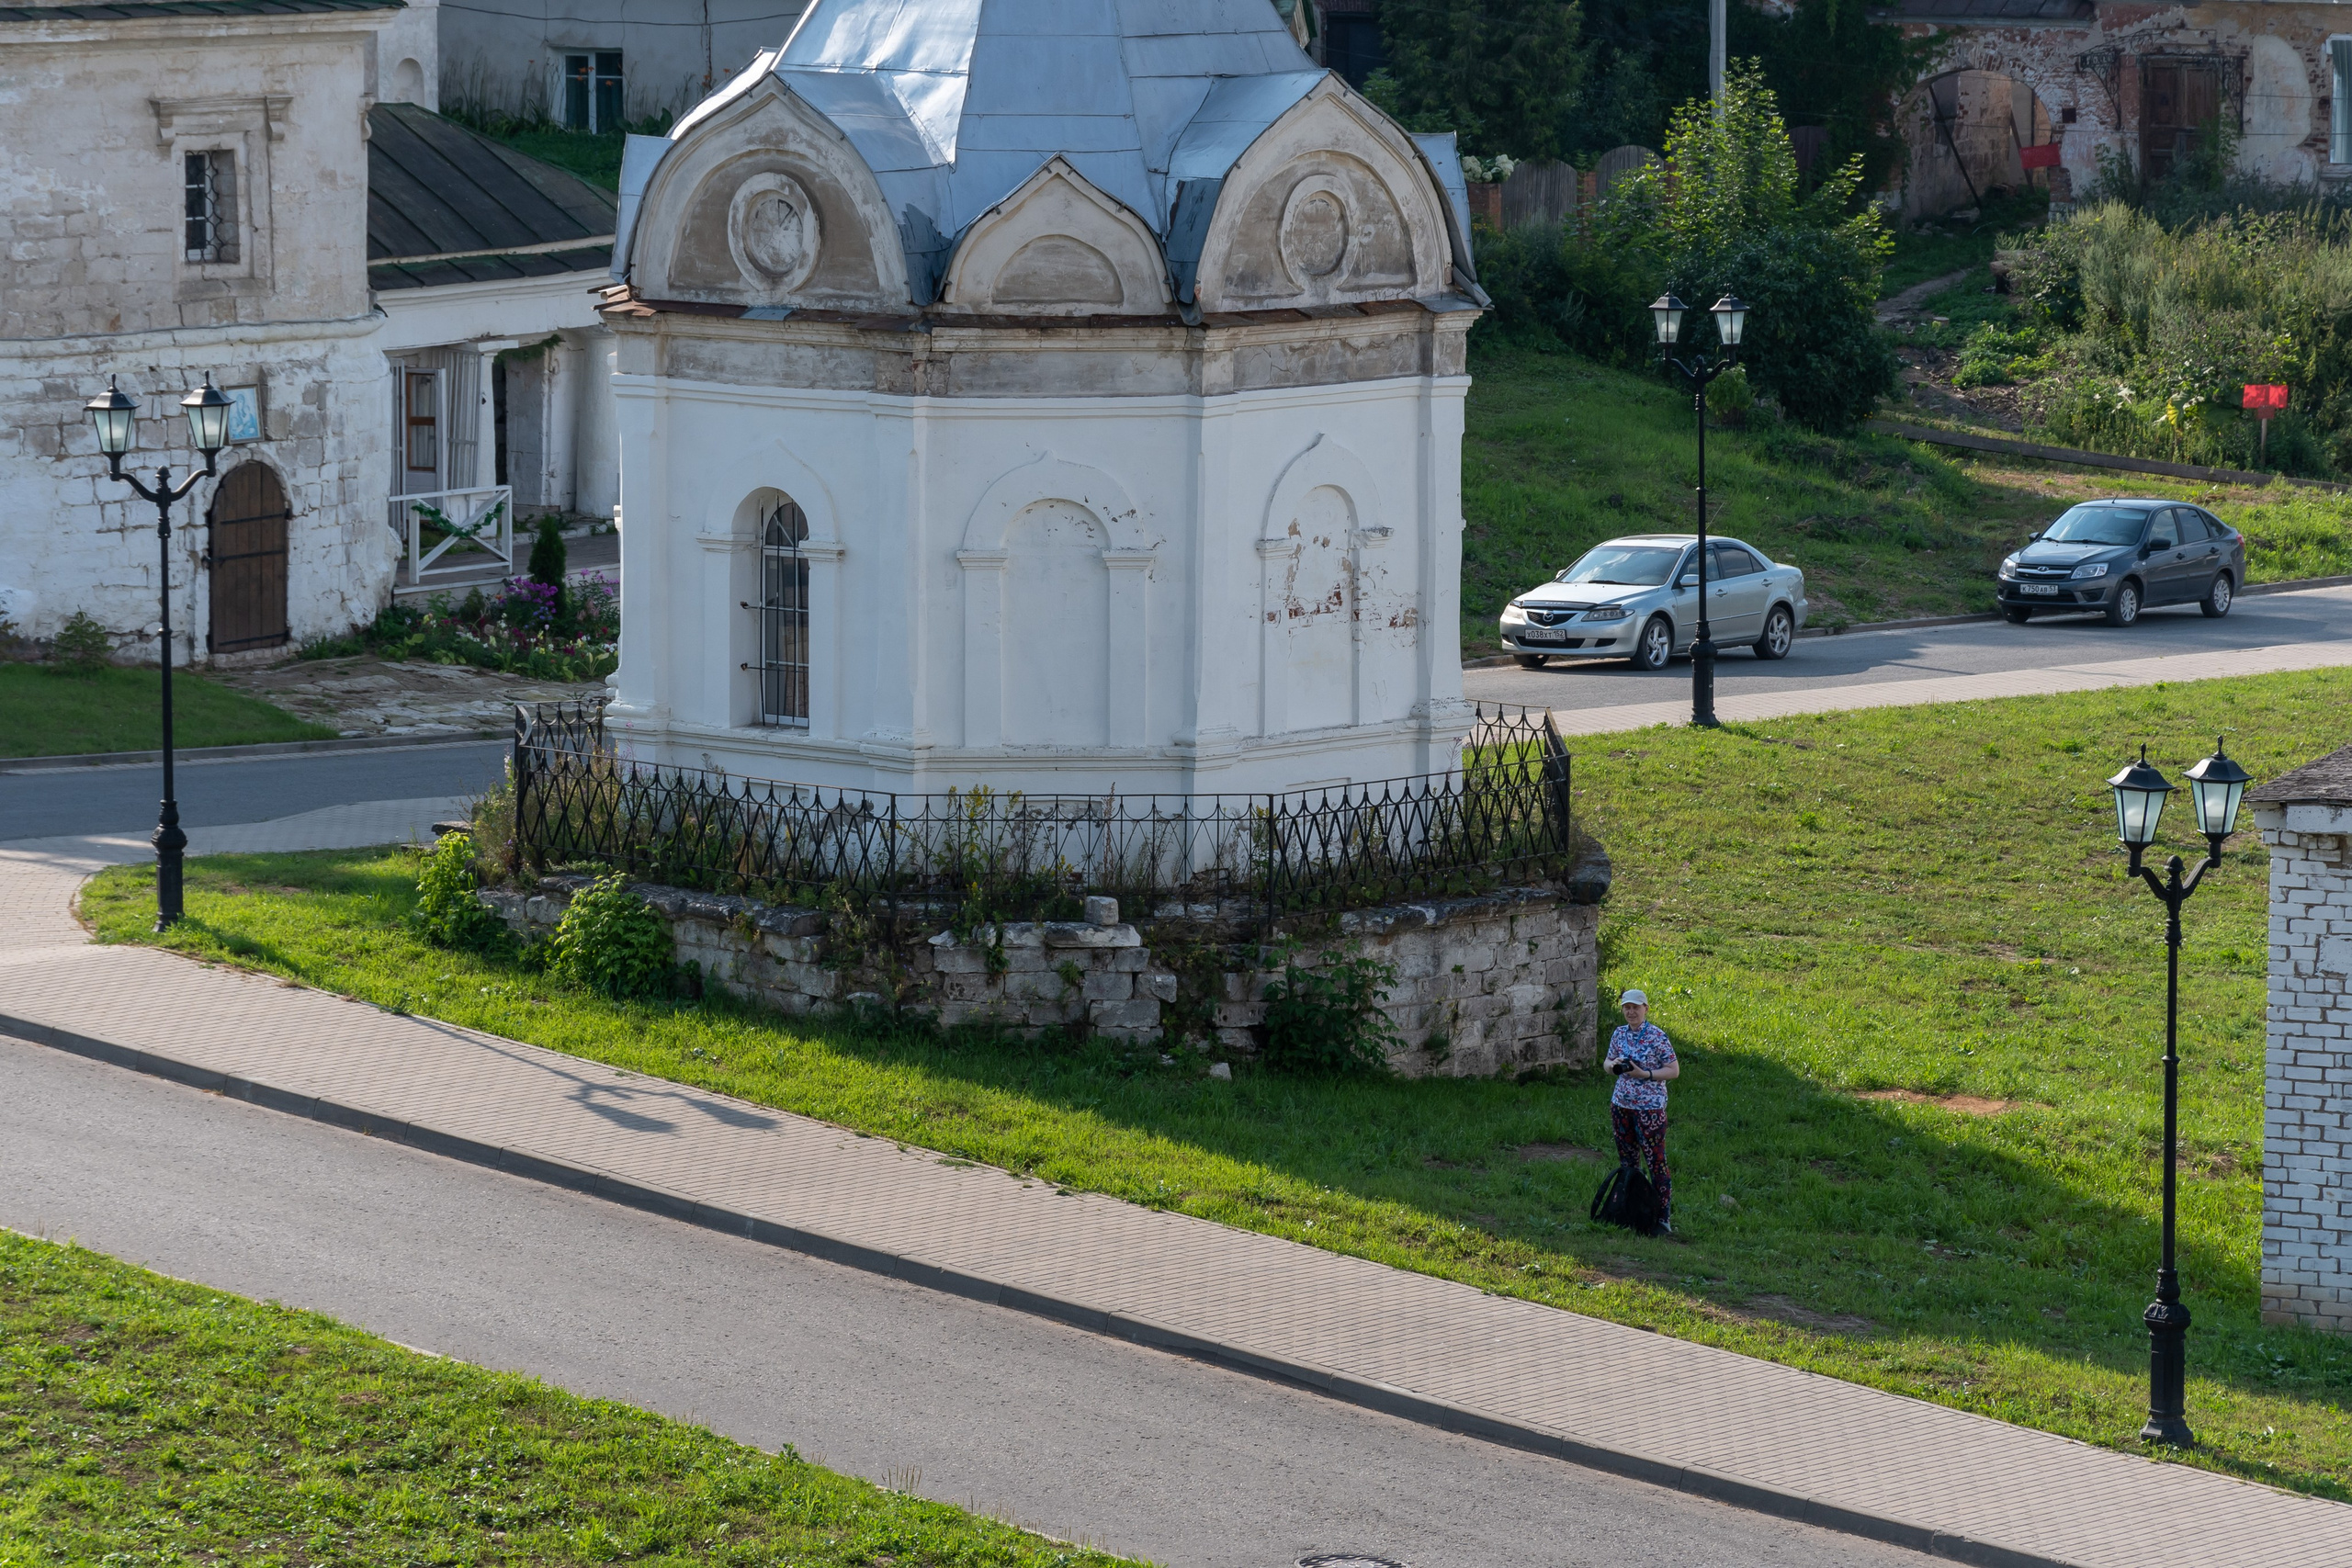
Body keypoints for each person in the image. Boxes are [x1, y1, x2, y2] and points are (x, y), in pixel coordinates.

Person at [1603, 987, 1679, 1232]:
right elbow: (1607, 1062)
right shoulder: (1619, 1034)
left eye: (1636, 1007)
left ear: (1645, 1008)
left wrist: (1644, 1074)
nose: (1631, 1011)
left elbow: (1673, 1070)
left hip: (1650, 1109)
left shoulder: (1657, 1036)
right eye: (1627, 1007)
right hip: (1622, 1105)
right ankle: (1632, 1212)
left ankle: (1661, 1219)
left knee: (1656, 1162)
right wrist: (1613, 1065)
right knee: (1628, 1162)